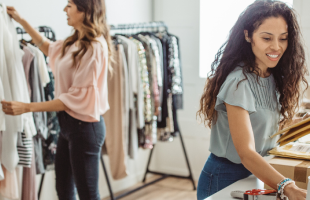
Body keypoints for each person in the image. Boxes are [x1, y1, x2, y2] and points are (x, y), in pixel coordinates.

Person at [196, 0, 308, 199]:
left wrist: (301, 123)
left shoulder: (272, 76)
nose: (277, 47)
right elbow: (246, 152)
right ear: (248, 35)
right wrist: (288, 186)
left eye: (283, 38)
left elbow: (264, 127)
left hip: (256, 172)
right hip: (224, 177)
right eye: (267, 38)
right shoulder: (239, 83)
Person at [2, 0, 114, 199]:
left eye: (70, 5)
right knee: (63, 190)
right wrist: (21, 21)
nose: (65, 9)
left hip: (85, 129)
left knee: (88, 194)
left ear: (85, 9)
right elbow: (47, 47)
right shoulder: (74, 41)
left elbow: (75, 98)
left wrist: (26, 107)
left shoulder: (95, 47)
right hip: (68, 125)